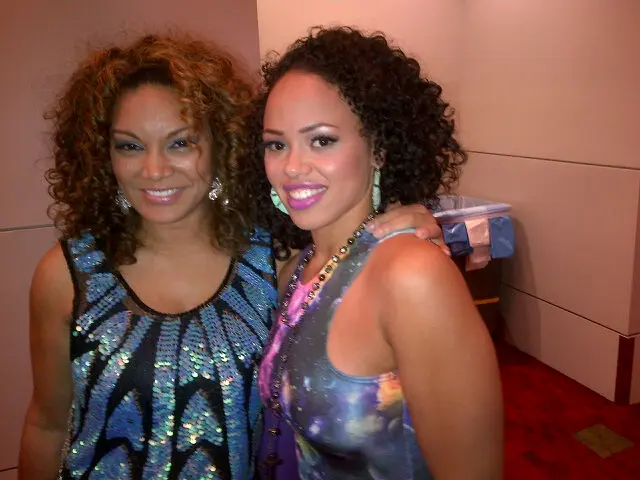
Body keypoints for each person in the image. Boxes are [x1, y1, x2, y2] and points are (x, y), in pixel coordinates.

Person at [18, 33, 443, 480]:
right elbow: (47, 424)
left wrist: (401, 221)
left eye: (180, 143)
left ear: (221, 143)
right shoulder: (69, 274)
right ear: (103, 157)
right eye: (130, 146)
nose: (154, 169)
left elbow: (358, 263)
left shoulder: (273, 260)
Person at [253, 27, 504, 479]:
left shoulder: (412, 274)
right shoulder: (296, 267)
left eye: (321, 140)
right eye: (277, 144)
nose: (292, 167)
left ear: (380, 150)